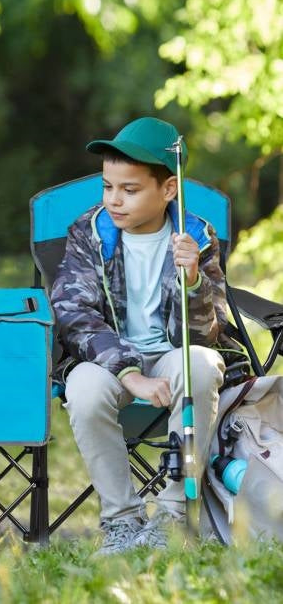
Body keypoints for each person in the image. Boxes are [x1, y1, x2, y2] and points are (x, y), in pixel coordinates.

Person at [51, 117, 246, 555]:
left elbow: (205, 335)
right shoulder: (90, 233)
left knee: (199, 363)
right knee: (81, 386)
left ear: (168, 190)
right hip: (110, 361)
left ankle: (174, 516)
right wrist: (129, 373)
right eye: (108, 187)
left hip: (173, 357)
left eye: (130, 189)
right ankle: (121, 520)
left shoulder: (196, 236)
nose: (114, 200)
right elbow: (74, 314)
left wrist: (193, 279)